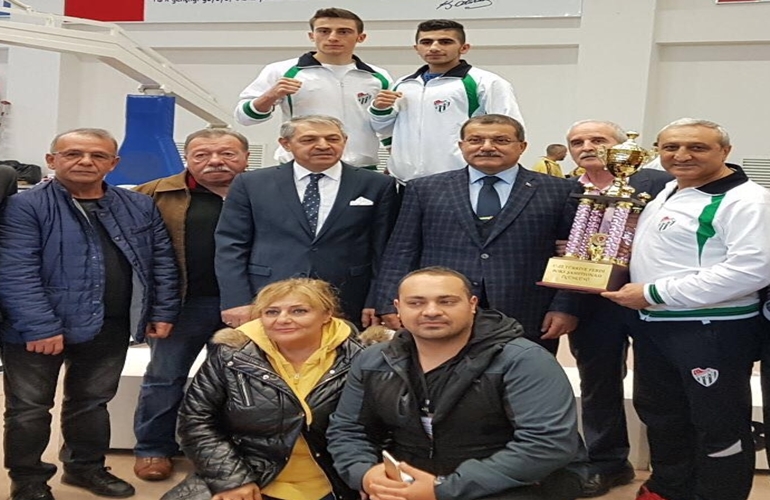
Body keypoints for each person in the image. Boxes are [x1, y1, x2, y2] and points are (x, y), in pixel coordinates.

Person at [0, 128, 180, 500]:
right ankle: (29, 481)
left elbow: (161, 262)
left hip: (109, 326)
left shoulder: (138, 205)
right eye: (73, 154)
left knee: (92, 403)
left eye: (98, 155)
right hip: (37, 330)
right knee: (29, 410)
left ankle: (85, 469)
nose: (86, 161)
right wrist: (39, 326)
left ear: (113, 163)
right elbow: (15, 270)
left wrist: (160, 310)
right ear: (52, 160)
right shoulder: (24, 206)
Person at [604, 118, 770, 500]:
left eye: (697, 147)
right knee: (662, 414)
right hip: (655, 324)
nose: (682, 155)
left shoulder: (747, 200)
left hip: (711, 330)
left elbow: (752, 270)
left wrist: (655, 292)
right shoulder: (668, 189)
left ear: (725, 151)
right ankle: (669, 488)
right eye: (671, 147)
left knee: (717, 423)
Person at [328, 266, 586, 500]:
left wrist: (443, 489)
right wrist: (366, 474)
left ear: (472, 304)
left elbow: (546, 444)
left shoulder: (523, 360)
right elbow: (348, 429)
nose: (431, 311)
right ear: (398, 308)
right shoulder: (374, 360)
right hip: (411, 484)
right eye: (416, 302)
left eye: (447, 301)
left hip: (512, 486)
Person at [374, 114, 579, 354]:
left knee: (524, 374)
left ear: (522, 146)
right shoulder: (425, 188)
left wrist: (566, 306)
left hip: (530, 312)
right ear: (461, 146)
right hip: (440, 310)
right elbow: (402, 249)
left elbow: (573, 257)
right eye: (476, 140)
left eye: (501, 140)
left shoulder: (560, 190)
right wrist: (389, 301)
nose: (487, 147)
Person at [162, 278, 362, 500]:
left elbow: (382, 429)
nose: (283, 319)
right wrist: (232, 480)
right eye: (271, 312)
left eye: (299, 311)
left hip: (338, 482)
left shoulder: (363, 358)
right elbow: (196, 421)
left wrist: (367, 475)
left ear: (327, 315)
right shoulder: (230, 356)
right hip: (247, 475)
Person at [132, 129, 250, 481]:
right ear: (187, 158)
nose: (215, 161)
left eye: (227, 153)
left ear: (246, 157)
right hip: (180, 305)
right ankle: (153, 449)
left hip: (248, 306)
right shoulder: (154, 193)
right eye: (202, 155)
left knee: (235, 383)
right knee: (164, 379)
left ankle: (221, 451)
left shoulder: (266, 192)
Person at [563, 120, 671, 497]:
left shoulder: (660, 184)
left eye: (599, 140)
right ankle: (607, 462)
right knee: (598, 383)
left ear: (625, 148)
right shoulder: (565, 189)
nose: (587, 146)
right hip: (593, 301)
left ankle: (669, 469)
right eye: (577, 141)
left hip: (651, 296)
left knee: (657, 384)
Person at [215, 115, 398, 331]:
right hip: (267, 296)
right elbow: (231, 244)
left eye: (332, 139)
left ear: (345, 141)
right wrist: (236, 300)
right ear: (286, 144)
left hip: (349, 297)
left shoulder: (377, 184)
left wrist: (377, 299)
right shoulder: (251, 183)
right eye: (309, 139)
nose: (323, 145)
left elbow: (384, 249)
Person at [235, 8, 392, 169]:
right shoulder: (281, 71)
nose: (333, 37)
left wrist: (394, 160)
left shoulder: (378, 77)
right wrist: (271, 96)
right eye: (324, 31)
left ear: (361, 37)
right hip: (300, 167)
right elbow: (244, 117)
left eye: (343, 32)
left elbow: (388, 127)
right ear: (312, 35)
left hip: (362, 168)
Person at [370, 19, 524, 183]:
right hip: (404, 181)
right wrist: (380, 109)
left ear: (464, 48)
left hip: (458, 182)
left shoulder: (486, 82)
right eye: (426, 42)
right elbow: (384, 129)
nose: (434, 48)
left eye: (445, 42)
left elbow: (511, 131)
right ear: (417, 48)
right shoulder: (404, 84)